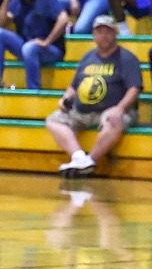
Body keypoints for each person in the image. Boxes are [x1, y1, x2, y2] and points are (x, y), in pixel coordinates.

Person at [44, 15, 142, 177]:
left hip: (111, 110)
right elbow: (74, 86)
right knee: (53, 120)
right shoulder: (87, 57)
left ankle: (90, 160)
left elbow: (134, 88)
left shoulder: (126, 58)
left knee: (113, 120)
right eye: (99, 32)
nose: (104, 36)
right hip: (82, 111)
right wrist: (65, 98)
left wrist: (119, 108)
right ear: (94, 35)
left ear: (115, 34)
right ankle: (79, 158)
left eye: (107, 32)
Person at [0, 0, 70, 90]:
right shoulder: (16, 2)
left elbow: (63, 19)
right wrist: (6, 0)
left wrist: (47, 41)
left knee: (29, 48)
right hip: (26, 46)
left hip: (51, 50)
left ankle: (33, 90)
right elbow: (2, 23)